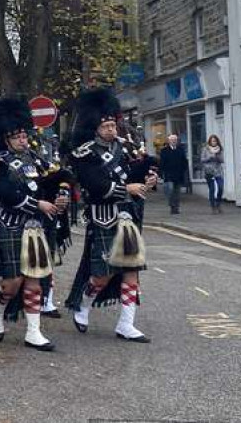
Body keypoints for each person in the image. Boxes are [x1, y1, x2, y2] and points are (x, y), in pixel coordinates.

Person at [65, 88, 156, 343]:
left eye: (112, 124)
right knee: (103, 273)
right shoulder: (85, 153)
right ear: (95, 127)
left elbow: (135, 175)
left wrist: (148, 178)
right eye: (104, 125)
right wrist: (127, 188)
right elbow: (95, 185)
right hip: (104, 216)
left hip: (128, 216)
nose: (110, 129)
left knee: (131, 270)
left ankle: (126, 324)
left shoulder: (125, 148)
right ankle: (84, 302)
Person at [0, 98, 59, 351]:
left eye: (24, 135)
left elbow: (55, 179)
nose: (22, 140)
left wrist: (63, 192)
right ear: (6, 139)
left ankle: (33, 331)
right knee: (13, 281)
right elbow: (5, 193)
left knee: (35, 279)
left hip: (35, 227)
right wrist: (38, 205)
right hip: (12, 224)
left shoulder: (35, 158)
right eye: (16, 137)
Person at [159, 134, 187, 215]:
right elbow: (162, 163)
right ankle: (172, 205)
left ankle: (176, 207)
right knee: (170, 190)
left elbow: (184, 161)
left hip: (178, 174)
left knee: (177, 192)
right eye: (172, 140)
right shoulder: (164, 151)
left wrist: (184, 170)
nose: (174, 141)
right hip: (169, 174)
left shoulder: (180, 150)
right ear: (169, 141)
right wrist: (161, 173)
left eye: (175, 139)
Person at [202, 135, 225, 213]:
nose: (214, 142)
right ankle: (213, 207)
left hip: (218, 171)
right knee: (212, 189)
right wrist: (209, 158)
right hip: (209, 171)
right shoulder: (206, 149)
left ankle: (218, 203)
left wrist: (217, 156)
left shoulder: (219, 149)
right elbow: (202, 160)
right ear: (210, 142)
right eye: (212, 141)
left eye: (215, 141)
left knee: (220, 187)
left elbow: (222, 160)